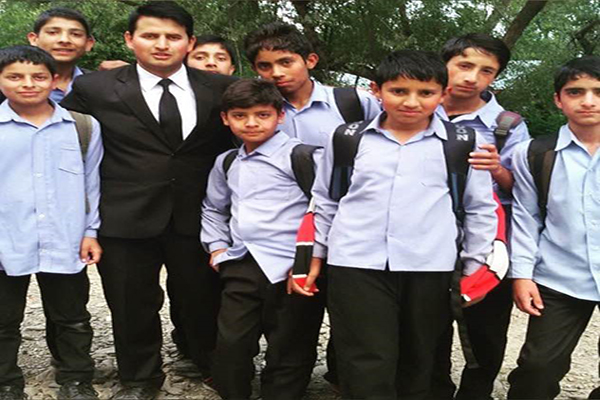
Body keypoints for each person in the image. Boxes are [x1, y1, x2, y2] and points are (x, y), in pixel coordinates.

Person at [292, 49, 497, 399]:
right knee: (364, 358)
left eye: (426, 92)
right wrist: (314, 255)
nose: (411, 102)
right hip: (355, 263)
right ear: (377, 90)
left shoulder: (463, 143)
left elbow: (479, 208)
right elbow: (325, 200)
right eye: (399, 91)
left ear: (443, 94)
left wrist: (476, 265)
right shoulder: (347, 138)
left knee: (420, 357)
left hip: (430, 265)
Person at [60, 2, 236, 399]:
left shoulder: (220, 89)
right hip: (125, 215)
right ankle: (140, 379)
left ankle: (210, 364)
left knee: (202, 299)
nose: (161, 44)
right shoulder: (95, 89)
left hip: (198, 214)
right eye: (150, 35)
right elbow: (64, 142)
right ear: (130, 39)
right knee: (131, 303)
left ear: (189, 42)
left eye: (173, 37)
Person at [243, 21, 380, 388]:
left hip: (350, 225)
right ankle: (286, 386)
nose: (276, 73)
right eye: (264, 66)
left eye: (286, 62)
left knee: (353, 312)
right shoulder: (258, 110)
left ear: (310, 60)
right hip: (288, 231)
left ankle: (344, 379)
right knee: (294, 316)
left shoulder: (352, 103)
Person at [201, 78, 324, 400]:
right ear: (225, 118)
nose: (251, 123)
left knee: (291, 343)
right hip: (242, 263)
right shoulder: (227, 161)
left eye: (262, 114)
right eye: (240, 115)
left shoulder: (304, 156)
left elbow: (324, 210)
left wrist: (310, 261)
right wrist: (217, 248)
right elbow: (213, 207)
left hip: (293, 267)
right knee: (232, 342)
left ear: (280, 115)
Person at [0, 45, 102, 400]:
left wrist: (90, 232)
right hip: (7, 237)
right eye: (15, 76)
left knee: (72, 317)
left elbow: (92, 183)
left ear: (55, 80)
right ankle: (7, 383)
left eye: (38, 76)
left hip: (65, 237)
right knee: (3, 319)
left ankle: (76, 380)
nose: (27, 84)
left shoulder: (82, 126)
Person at [432, 33, 530, 400]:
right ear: (445, 64)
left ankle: (476, 392)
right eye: (464, 65)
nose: (472, 77)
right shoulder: (418, 106)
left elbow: (524, 190)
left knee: (486, 328)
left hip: (488, 241)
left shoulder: (507, 125)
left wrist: (497, 169)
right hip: (427, 236)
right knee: (428, 325)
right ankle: (433, 390)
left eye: (486, 71)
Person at [506, 55, 600, 399]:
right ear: (558, 100)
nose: (588, 101)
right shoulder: (534, 153)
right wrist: (522, 275)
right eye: (575, 92)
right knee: (538, 367)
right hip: (559, 277)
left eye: (598, 92)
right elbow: (526, 216)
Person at [27, 7, 94, 102]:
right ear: (34, 39)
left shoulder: (102, 85)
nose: (64, 40)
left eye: (75, 34)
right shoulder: (9, 85)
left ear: (88, 43)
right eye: (53, 32)